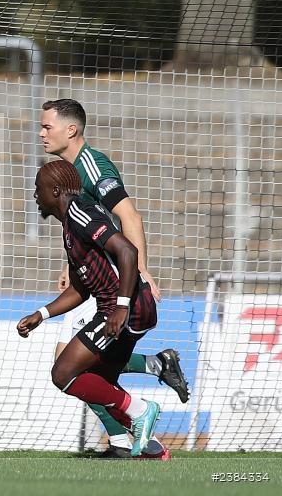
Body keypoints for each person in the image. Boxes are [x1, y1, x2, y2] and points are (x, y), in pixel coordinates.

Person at [40, 98, 188, 458]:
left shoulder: (91, 167)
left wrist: (140, 272)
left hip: (116, 284)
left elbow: (130, 217)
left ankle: (131, 428)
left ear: (70, 130)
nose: (41, 133)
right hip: (102, 278)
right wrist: (73, 266)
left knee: (71, 366)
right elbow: (90, 228)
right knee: (89, 370)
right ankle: (134, 440)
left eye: (47, 126)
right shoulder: (68, 171)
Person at [18, 160, 161, 458]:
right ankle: (150, 448)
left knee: (64, 373)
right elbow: (81, 288)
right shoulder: (70, 225)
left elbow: (127, 250)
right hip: (124, 306)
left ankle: (142, 410)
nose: (34, 196)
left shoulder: (80, 213)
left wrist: (121, 307)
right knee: (97, 382)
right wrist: (41, 315)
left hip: (125, 307)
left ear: (55, 190)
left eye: (38, 189)